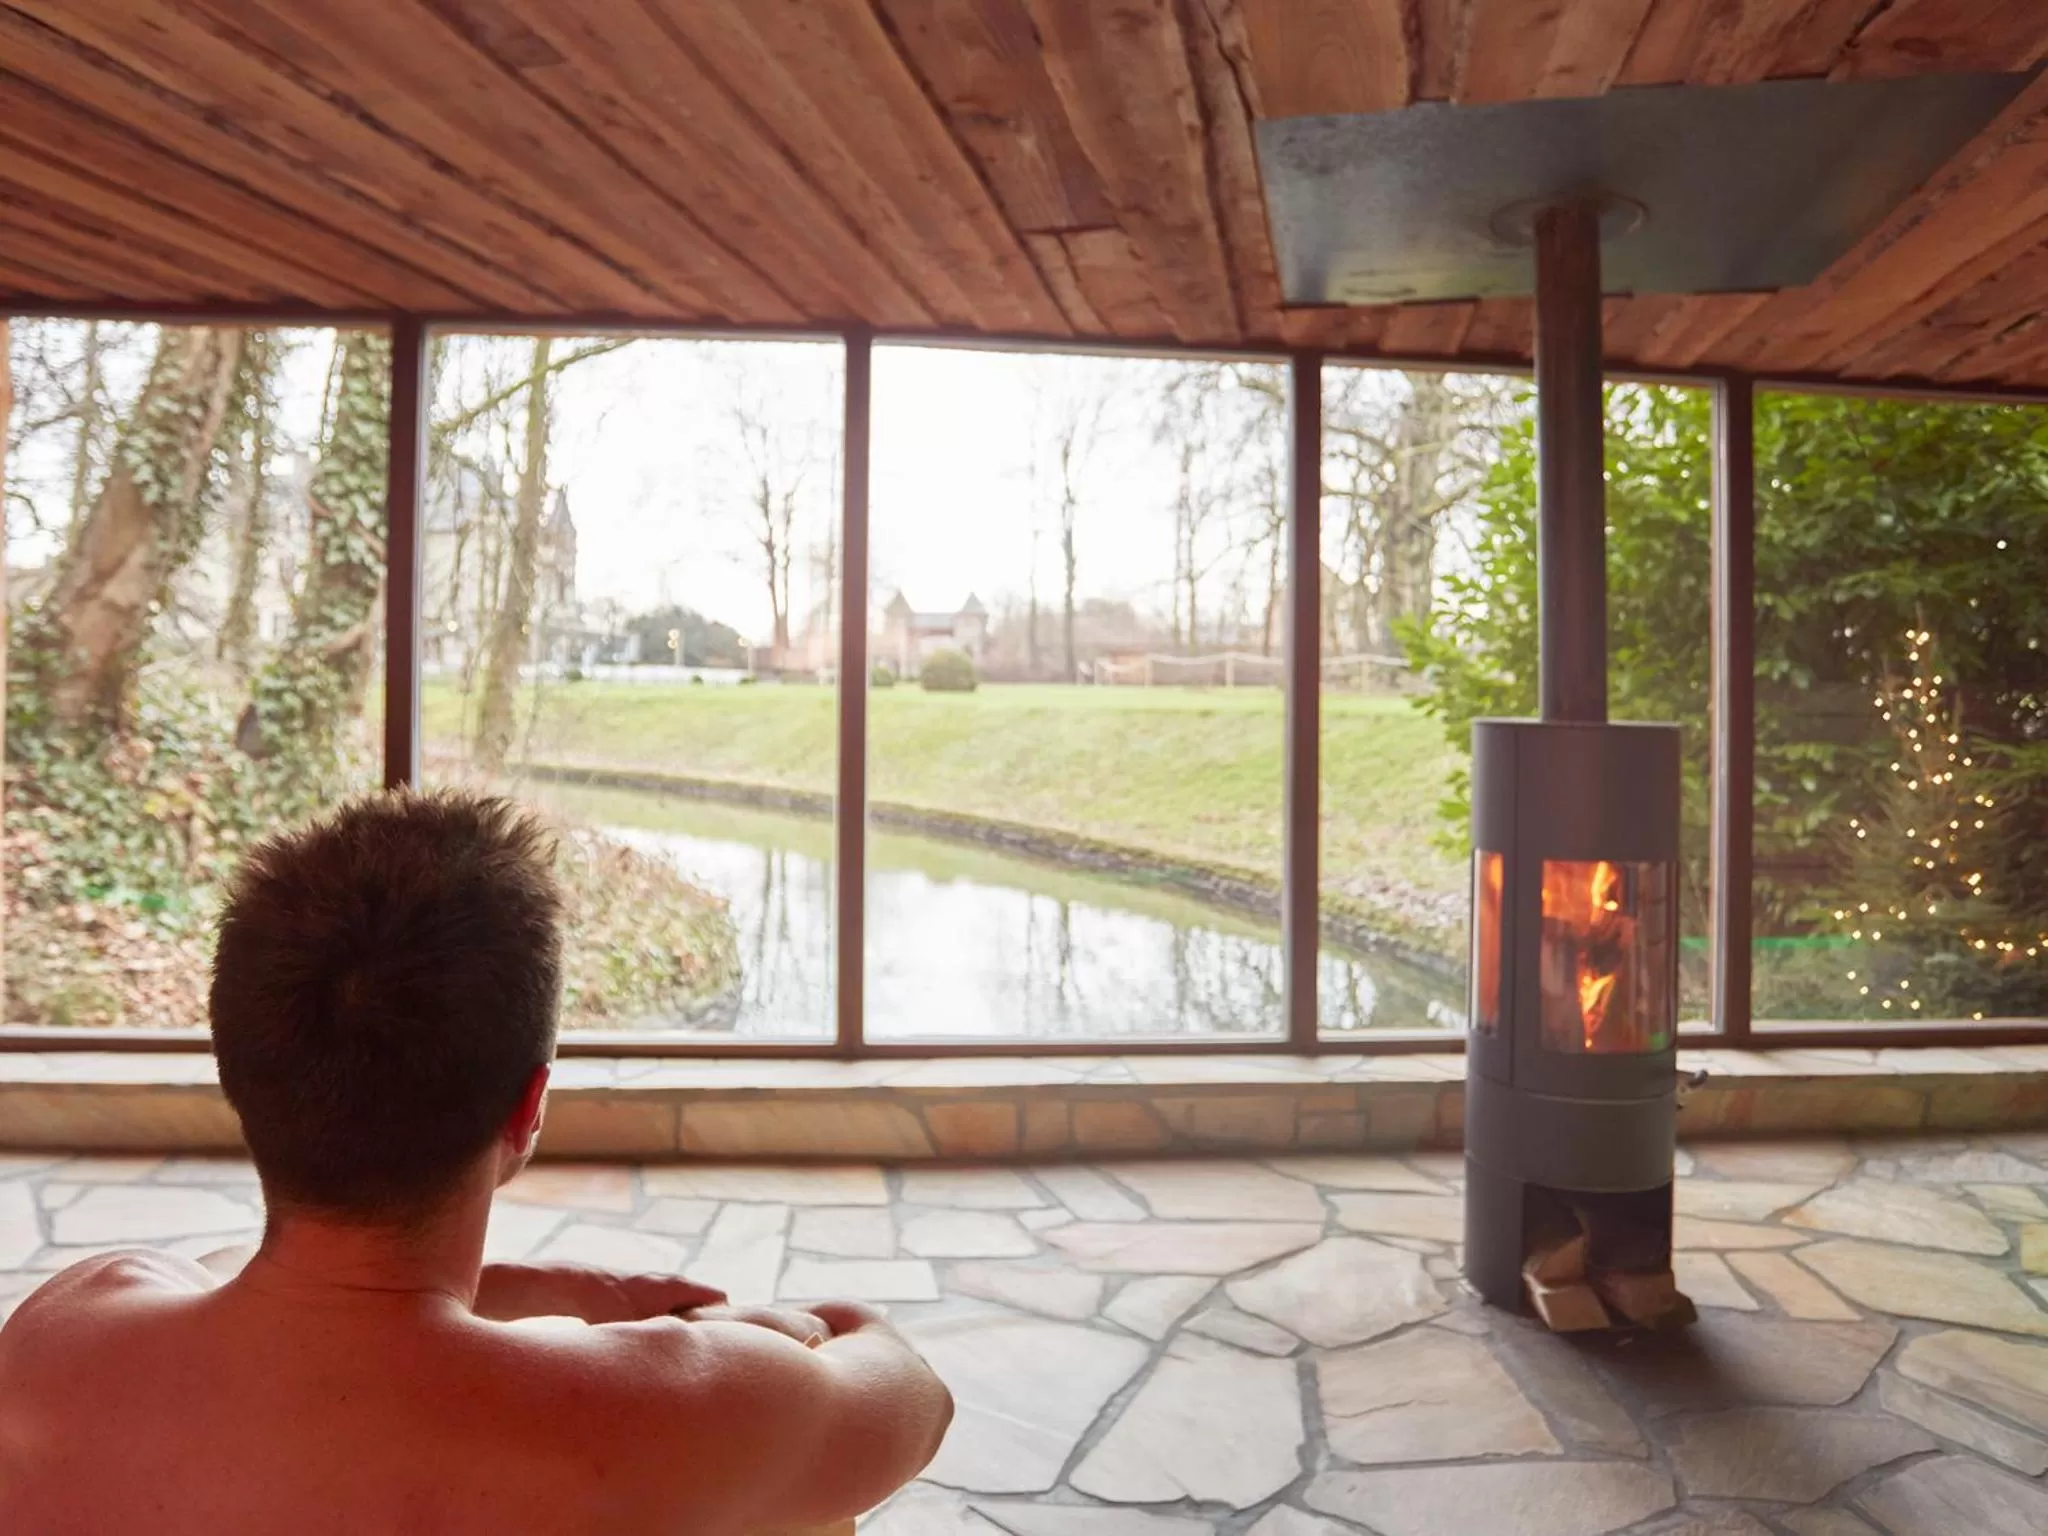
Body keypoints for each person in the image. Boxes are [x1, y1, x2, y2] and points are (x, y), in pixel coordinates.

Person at [0, 790, 952, 1534]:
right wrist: (767, 1335)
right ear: (528, 1107)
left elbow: (266, 1295)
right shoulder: (659, 1414)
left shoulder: (63, 1335)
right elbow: (911, 1396)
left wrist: (551, 1291)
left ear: (241, 1075)